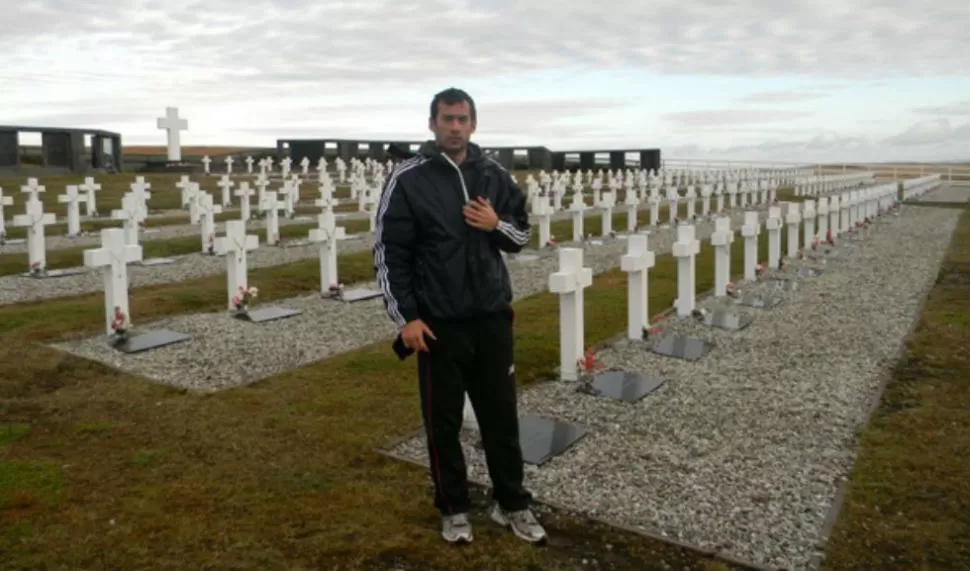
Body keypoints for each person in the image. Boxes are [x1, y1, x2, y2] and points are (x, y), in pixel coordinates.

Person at [373, 87, 547, 545]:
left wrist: (495, 226)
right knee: (443, 421)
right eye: (447, 118)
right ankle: (453, 508)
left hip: (490, 317)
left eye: (462, 119)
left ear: (473, 124)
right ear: (432, 124)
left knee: (501, 417)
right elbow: (391, 252)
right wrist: (406, 318)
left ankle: (512, 503)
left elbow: (521, 236)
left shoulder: (494, 175)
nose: (454, 126)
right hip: (438, 322)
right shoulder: (409, 178)